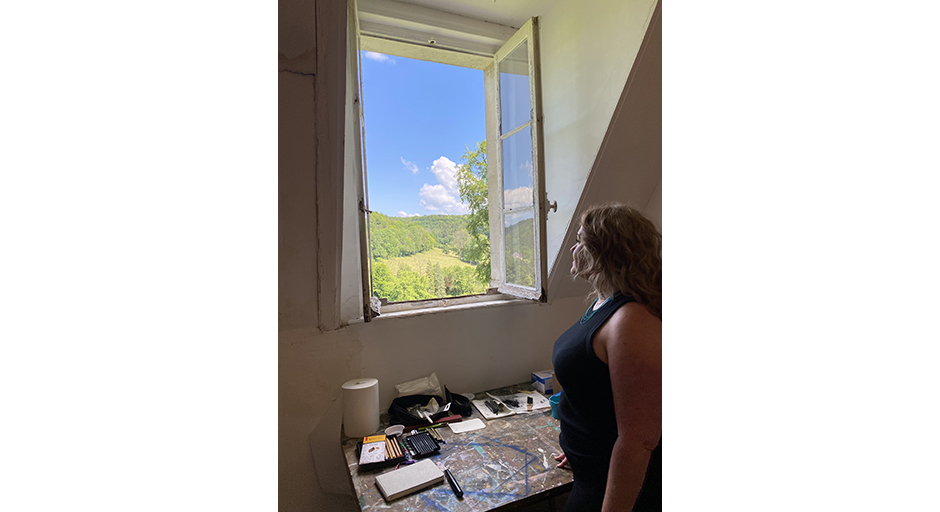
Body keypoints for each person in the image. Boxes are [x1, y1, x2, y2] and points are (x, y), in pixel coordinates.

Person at [552, 203, 662, 512]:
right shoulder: (604, 302)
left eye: (579, 240)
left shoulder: (632, 319)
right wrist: (576, 446)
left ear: (602, 251)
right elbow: (596, 385)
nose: (573, 248)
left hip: (611, 486)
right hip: (589, 468)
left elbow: (638, 441)